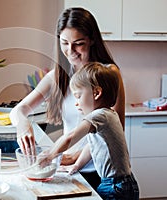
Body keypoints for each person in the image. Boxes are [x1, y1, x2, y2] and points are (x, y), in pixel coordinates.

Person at [9, 7, 125, 190]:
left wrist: (76, 156)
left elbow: (116, 127)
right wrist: (23, 125)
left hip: (99, 170)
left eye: (78, 43)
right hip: (68, 167)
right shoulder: (58, 76)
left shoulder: (109, 73)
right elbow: (19, 110)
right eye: (64, 43)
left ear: (92, 40)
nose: (70, 51)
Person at [38, 62, 139, 199]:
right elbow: (92, 147)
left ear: (96, 93)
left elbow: (70, 137)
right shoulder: (106, 115)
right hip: (118, 183)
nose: (76, 102)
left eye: (78, 96)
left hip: (115, 186)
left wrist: (50, 155)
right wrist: (76, 165)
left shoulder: (100, 115)